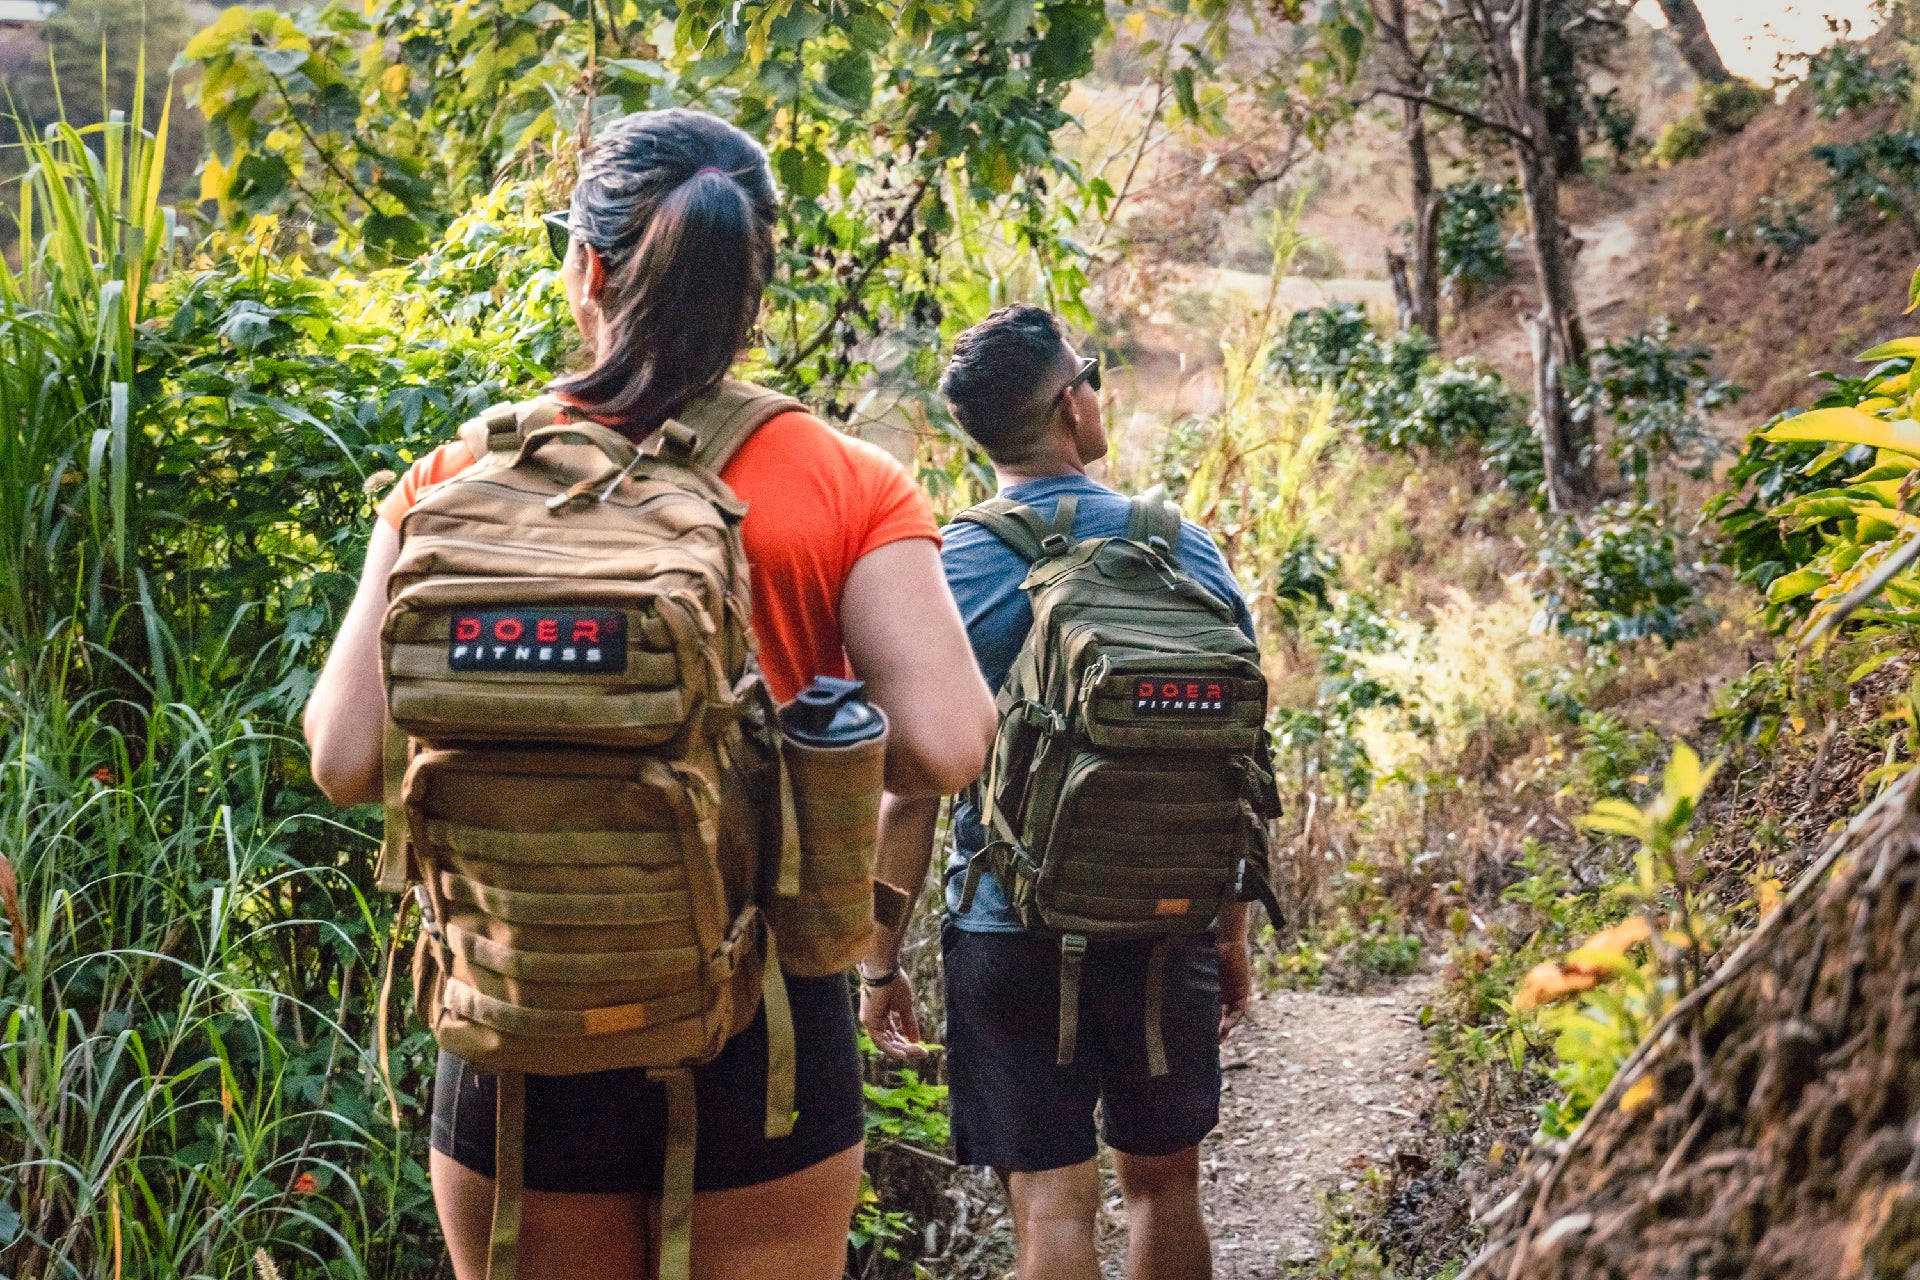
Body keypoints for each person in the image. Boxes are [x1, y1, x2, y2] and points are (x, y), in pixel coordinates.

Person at [303, 107, 996, 1280]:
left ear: (586, 266)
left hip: (519, 1012)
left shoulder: (456, 479)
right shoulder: (847, 479)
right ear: (754, 284)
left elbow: (346, 758)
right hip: (763, 1026)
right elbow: (946, 741)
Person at [859, 304, 1257, 1280]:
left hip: (1008, 927)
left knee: (1050, 1205)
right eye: (1089, 375)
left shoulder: (951, 566)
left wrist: (877, 963)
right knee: (1166, 1184)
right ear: (1070, 404)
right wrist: (1231, 928)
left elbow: (909, 788)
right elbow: (1239, 751)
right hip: (1168, 923)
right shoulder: (1185, 548)